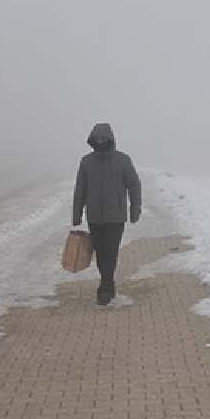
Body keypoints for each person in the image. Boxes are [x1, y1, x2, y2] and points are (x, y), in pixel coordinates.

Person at [72, 122, 142, 305]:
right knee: (100, 253)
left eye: (104, 138)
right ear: (92, 140)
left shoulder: (123, 160)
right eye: (98, 138)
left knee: (110, 252)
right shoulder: (86, 162)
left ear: (110, 139)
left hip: (115, 217)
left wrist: (135, 209)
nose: (101, 141)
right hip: (94, 216)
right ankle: (108, 283)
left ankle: (105, 288)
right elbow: (80, 189)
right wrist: (76, 214)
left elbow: (134, 185)